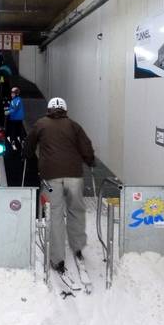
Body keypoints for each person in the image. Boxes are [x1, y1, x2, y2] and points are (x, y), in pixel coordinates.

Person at [24, 97, 95, 275]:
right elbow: (86, 147)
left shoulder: (41, 124)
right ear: (65, 110)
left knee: (54, 213)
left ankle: (57, 259)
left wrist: (27, 155)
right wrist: (90, 161)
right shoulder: (73, 125)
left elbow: (29, 145)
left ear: (49, 110)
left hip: (50, 179)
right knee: (76, 211)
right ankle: (77, 247)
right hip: (75, 177)